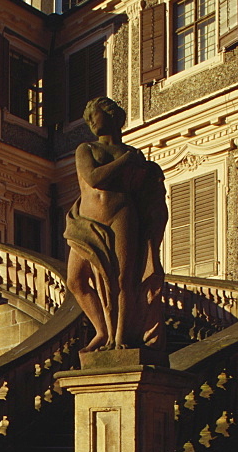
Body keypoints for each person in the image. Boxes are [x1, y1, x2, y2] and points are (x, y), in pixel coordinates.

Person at [64, 97, 167, 352]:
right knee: (75, 281)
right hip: (85, 222)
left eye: (94, 115)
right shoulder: (87, 149)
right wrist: (126, 162)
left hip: (122, 215)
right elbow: (93, 177)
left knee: (121, 280)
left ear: (110, 115)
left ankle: (118, 337)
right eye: (88, 119)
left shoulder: (133, 155)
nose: (90, 122)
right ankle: (101, 330)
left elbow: (147, 191)